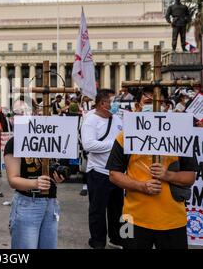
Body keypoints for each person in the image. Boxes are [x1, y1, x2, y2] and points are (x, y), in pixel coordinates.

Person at [107, 87, 198, 249]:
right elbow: (114, 174)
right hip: (130, 218)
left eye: (160, 102)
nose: (155, 107)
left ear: (168, 106)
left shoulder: (180, 135)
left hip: (173, 220)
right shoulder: (126, 135)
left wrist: (167, 175)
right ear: (138, 106)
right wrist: (141, 186)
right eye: (149, 102)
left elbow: (190, 177)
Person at [4, 98, 64, 249]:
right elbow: (13, 180)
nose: (20, 116)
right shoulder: (14, 142)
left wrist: (57, 176)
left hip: (50, 203)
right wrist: (35, 183)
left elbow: (51, 168)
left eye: (25, 112)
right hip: (27, 203)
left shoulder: (48, 137)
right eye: (17, 113)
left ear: (36, 112)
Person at [81, 89, 124, 249]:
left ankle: (117, 239)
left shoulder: (118, 119)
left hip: (118, 173)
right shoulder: (91, 120)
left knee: (117, 209)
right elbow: (89, 144)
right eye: (113, 102)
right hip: (99, 172)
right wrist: (115, 145)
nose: (115, 105)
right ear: (102, 104)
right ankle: (98, 241)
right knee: (98, 210)